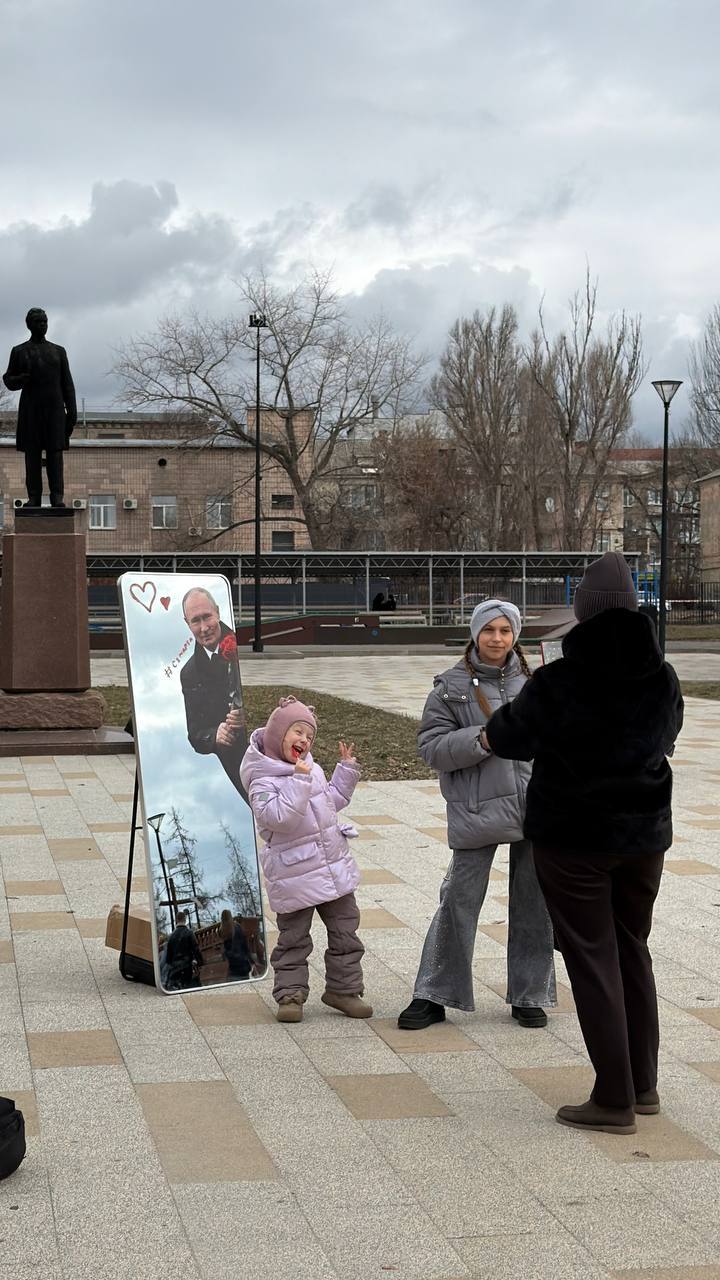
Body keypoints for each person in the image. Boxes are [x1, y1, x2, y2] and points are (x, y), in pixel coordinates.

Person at [485, 553, 684, 1136]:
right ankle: (643, 1086)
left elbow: (508, 738)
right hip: (645, 838)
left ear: (585, 610)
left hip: (573, 840)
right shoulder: (663, 675)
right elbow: (667, 734)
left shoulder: (560, 679)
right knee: (631, 949)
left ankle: (613, 1098)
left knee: (592, 958)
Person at [398, 599, 556, 1032]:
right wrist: (483, 739)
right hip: (475, 808)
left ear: (515, 636)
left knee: (534, 902)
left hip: (535, 808)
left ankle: (530, 994)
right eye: (489, 630)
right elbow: (431, 748)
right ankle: (433, 993)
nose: (497, 639)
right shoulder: (450, 687)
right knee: (458, 901)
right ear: (475, 633)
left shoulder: (536, 684)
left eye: (505, 631)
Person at [240, 695, 372, 1023]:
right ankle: (290, 994)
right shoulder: (262, 778)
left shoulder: (310, 768)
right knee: (294, 939)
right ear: (277, 734)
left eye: (309, 736)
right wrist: (299, 780)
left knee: (346, 931)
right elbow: (277, 818)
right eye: (297, 731)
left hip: (332, 865)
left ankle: (344, 989)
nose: (304, 740)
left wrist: (346, 771)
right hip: (294, 873)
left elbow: (330, 802)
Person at [3, 307, 77, 507]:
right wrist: (21, 378)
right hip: (31, 411)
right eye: (38, 322)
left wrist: (72, 413)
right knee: (32, 455)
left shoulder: (58, 351)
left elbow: (67, 385)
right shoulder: (19, 351)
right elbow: (9, 380)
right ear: (29, 325)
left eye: (45, 321)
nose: (42, 325)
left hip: (54, 411)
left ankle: (57, 497)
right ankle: (34, 497)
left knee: (55, 455)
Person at [180, 587, 248, 799]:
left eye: (207, 617)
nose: (203, 628)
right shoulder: (189, 673)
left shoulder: (244, 647)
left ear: (218, 612)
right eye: (195, 621)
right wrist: (214, 734)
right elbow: (195, 733)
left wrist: (249, 714)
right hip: (234, 767)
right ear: (186, 623)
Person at [165, 910, 203, 990]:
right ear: (185, 919)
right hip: (187, 967)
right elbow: (195, 949)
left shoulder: (171, 936)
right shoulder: (189, 933)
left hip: (175, 969)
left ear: (176, 920)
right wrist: (200, 962)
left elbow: (168, 957)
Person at [220, 908, 252, 979]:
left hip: (232, 963)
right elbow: (244, 943)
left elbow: (224, 948)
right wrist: (249, 957)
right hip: (242, 961)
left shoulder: (222, 930)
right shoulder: (237, 926)